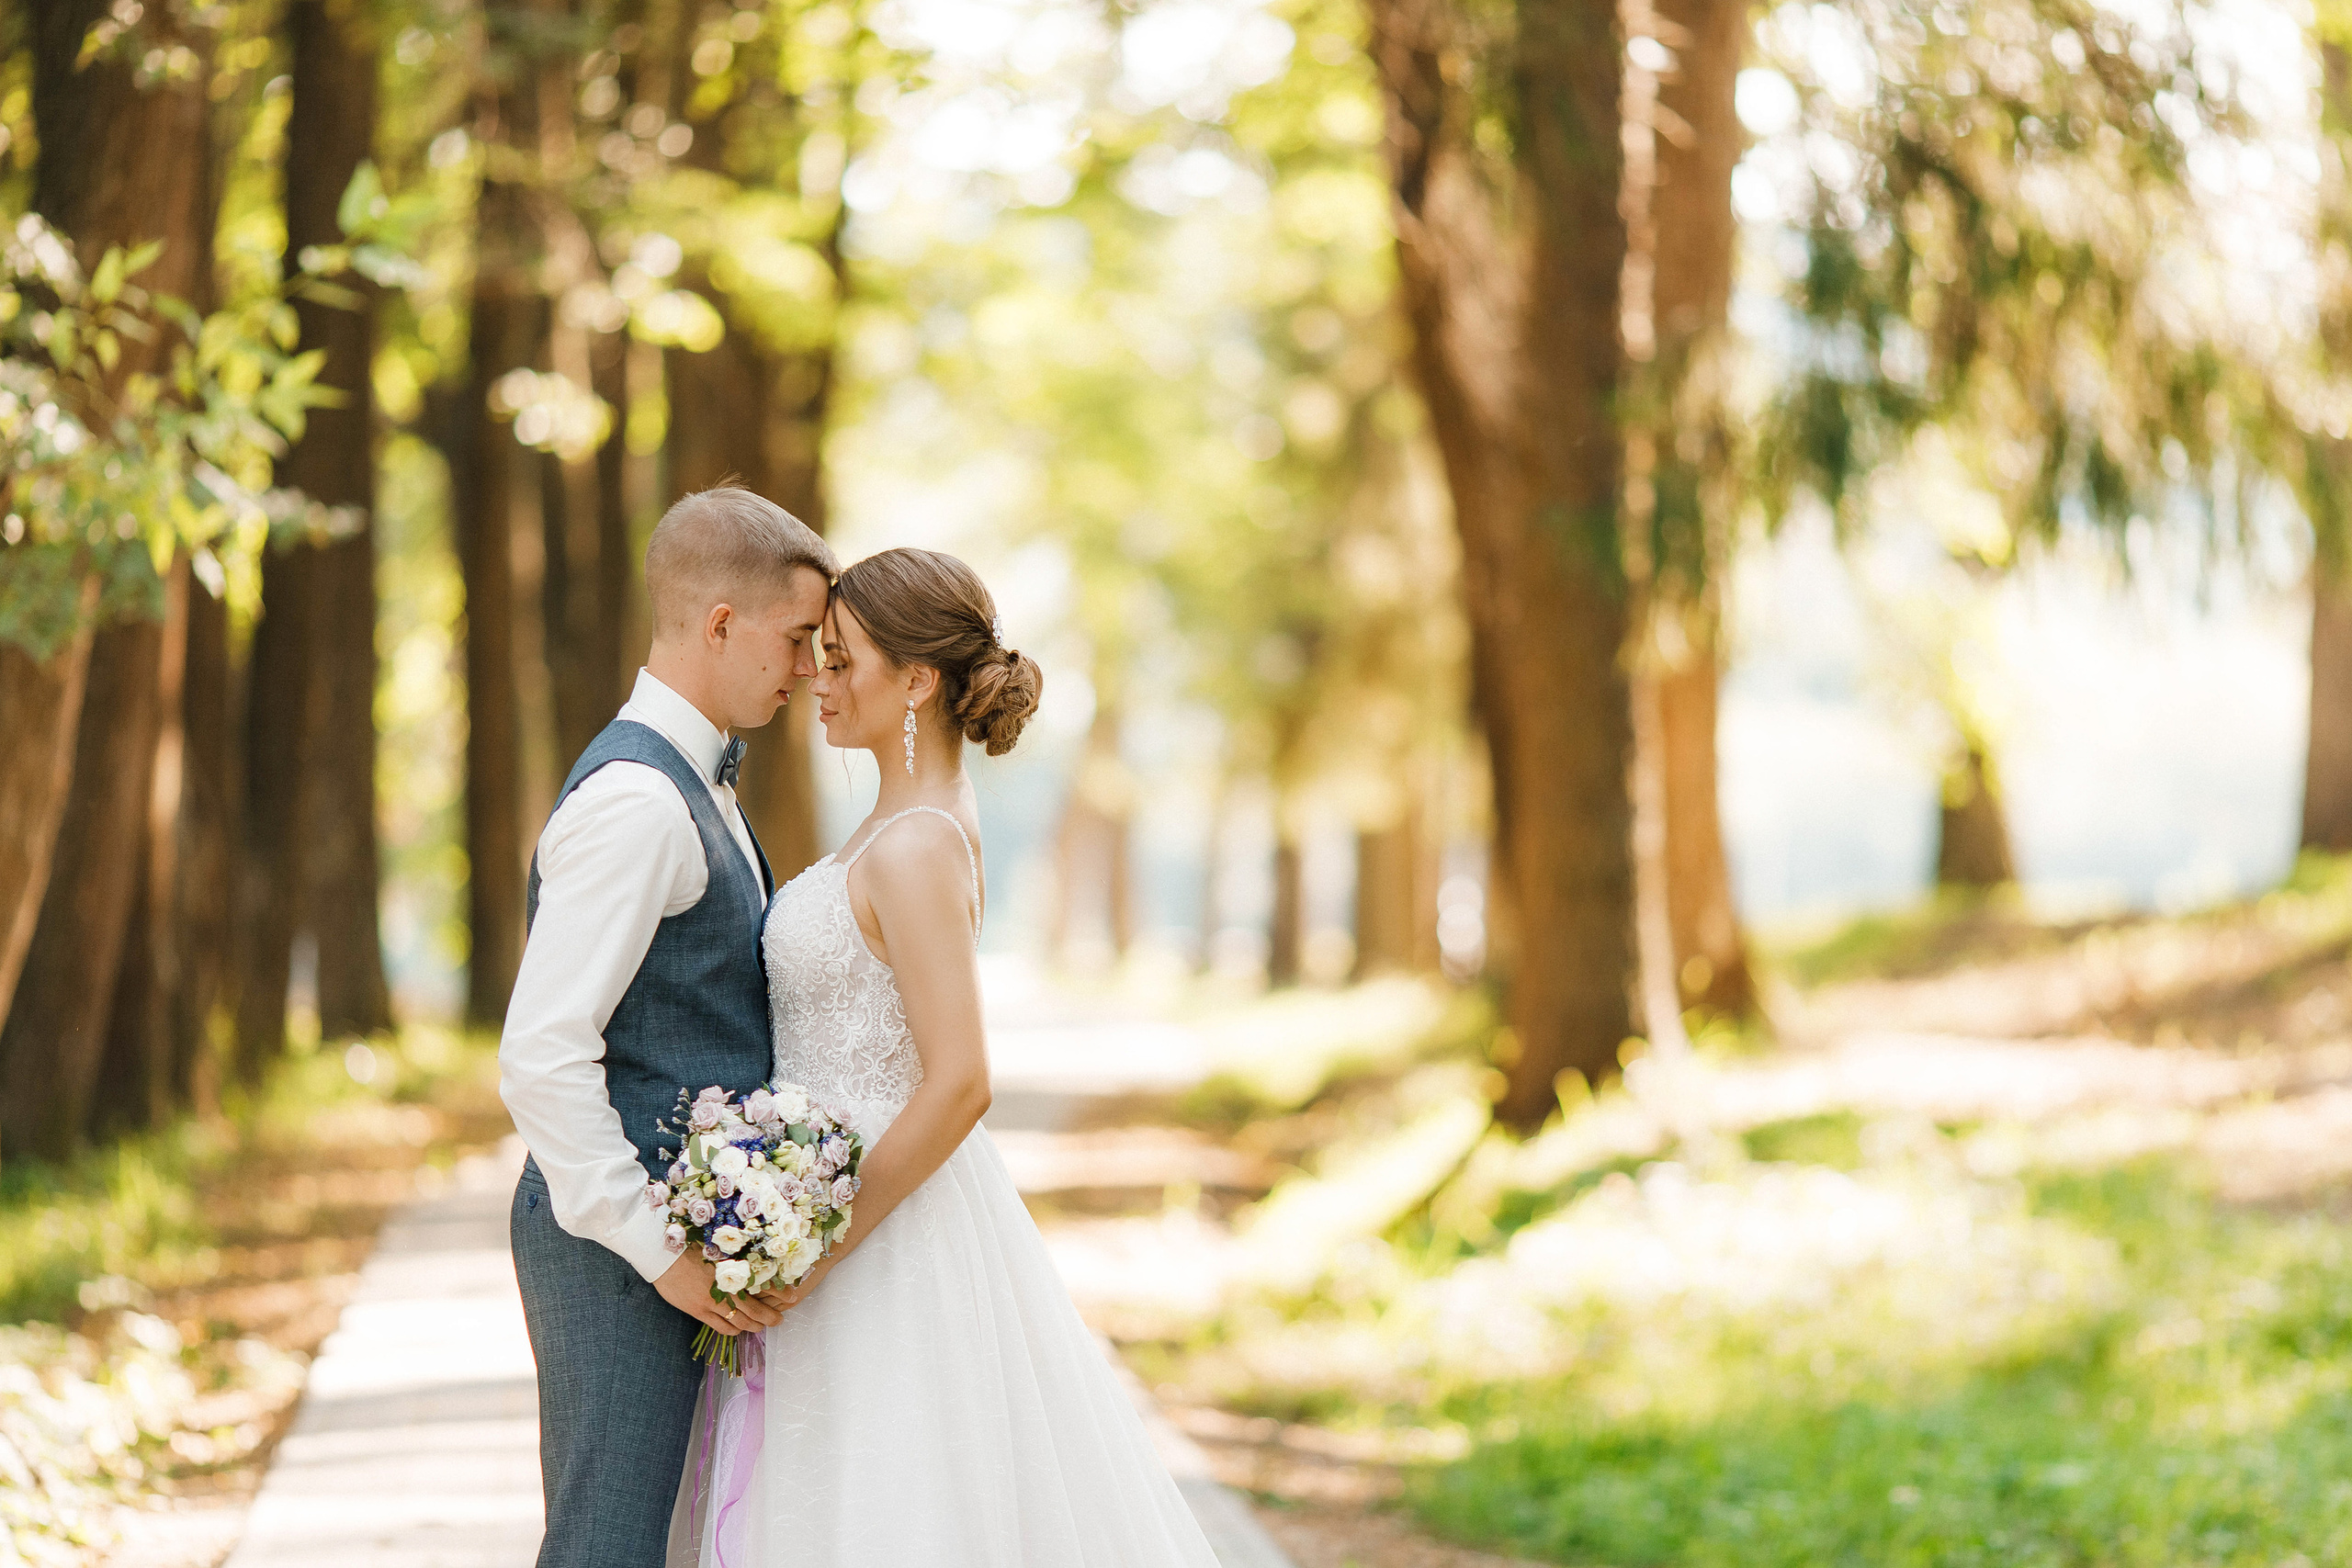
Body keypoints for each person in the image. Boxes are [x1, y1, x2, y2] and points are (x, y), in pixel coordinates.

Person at [675, 547, 1220, 1565]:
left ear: (917, 679)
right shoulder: (896, 826)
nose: (817, 681)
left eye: (843, 661)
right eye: (818, 657)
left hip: (881, 1231)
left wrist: (818, 1242)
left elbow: (962, 1078)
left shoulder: (918, 842)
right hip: (838, 1206)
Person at [502, 485, 836, 1568]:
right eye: (795, 639)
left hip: (668, 1238)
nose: (807, 668)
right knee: (605, 1543)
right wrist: (662, 1255)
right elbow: (542, 1053)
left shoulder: (700, 781)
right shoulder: (640, 802)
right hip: (614, 1249)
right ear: (720, 624)